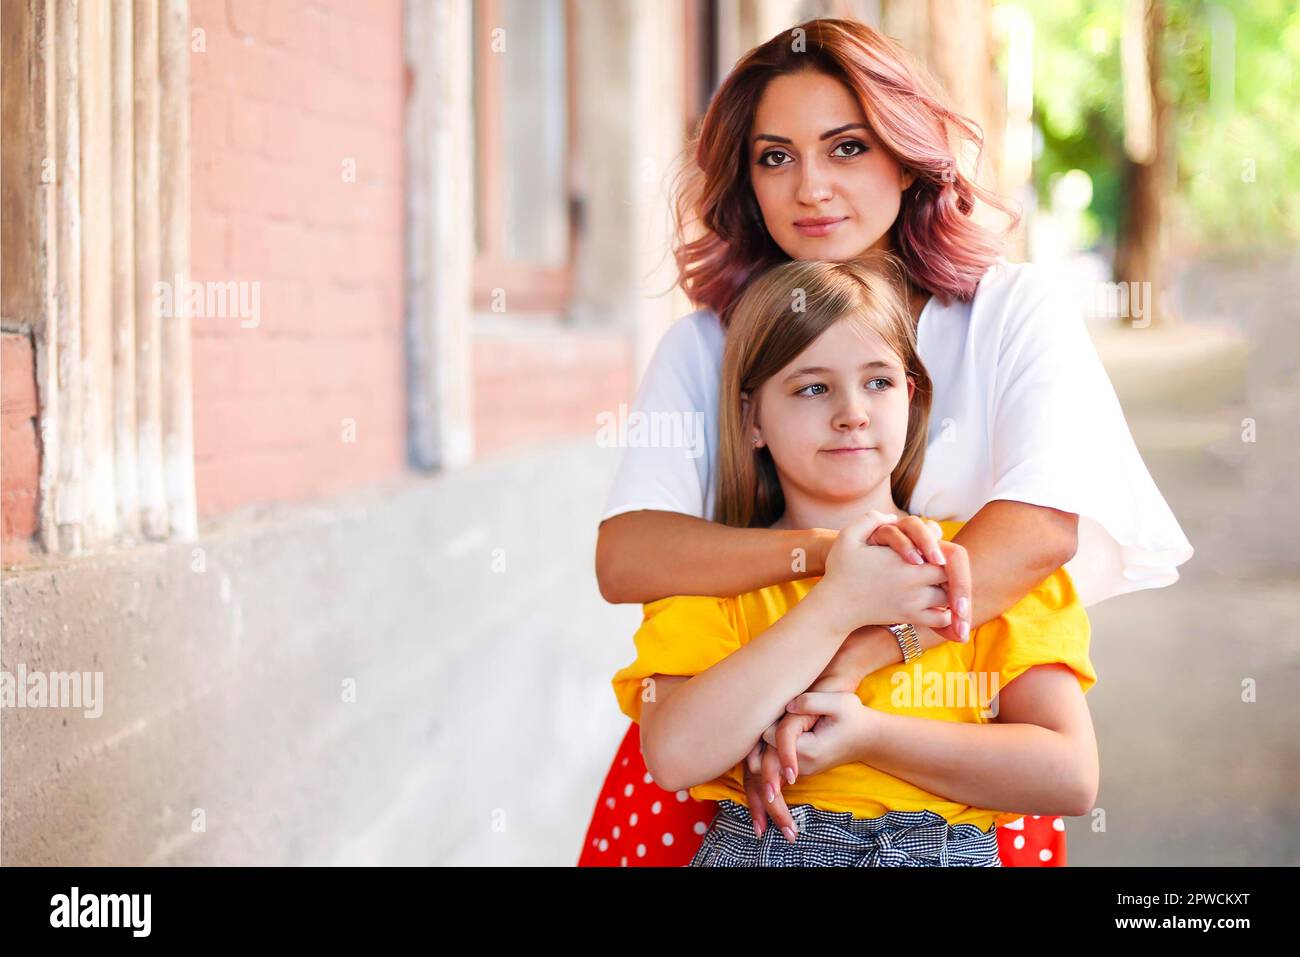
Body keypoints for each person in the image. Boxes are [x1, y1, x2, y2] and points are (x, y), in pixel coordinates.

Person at [579, 17, 1191, 867]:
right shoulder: (711, 343)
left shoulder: (1010, 312)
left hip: (951, 758)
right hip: (744, 769)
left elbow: (1041, 527)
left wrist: (853, 659)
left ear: (906, 156)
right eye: (775, 156)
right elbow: (632, 556)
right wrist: (829, 562)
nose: (811, 188)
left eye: (847, 148)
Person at [612, 256, 1097, 866]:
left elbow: (1071, 778)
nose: (852, 412)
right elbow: (675, 755)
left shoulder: (978, 563)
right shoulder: (718, 577)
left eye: (878, 381)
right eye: (812, 387)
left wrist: (870, 737)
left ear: (912, 398)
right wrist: (834, 605)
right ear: (750, 420)